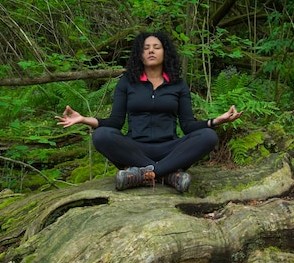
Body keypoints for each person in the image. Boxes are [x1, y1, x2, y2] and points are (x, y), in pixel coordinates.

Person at [55, 31, 243, 192]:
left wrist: (215, 121)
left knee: (208, 137)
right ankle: (168, 175)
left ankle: (145, 174)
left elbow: (188, 125)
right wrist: (84, 119)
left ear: (165, 52)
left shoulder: (178, 84)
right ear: (139, 54)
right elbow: (115, 122)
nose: (151, 51)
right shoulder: (127, 82)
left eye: (156, 47)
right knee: (102, 135)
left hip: (169, 149)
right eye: (146, 48)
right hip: (135, 148)